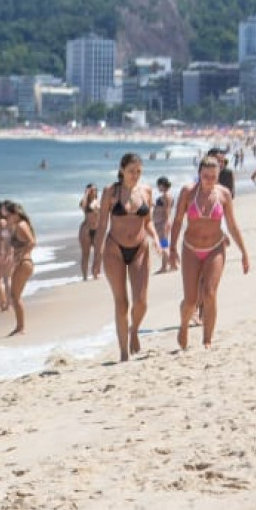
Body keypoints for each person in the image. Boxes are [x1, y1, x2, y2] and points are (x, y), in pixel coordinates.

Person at [170, 156, 251, 349]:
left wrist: (244, 252)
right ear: (199, 174)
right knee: (190, 300)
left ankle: (207, 340)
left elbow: (232, 224)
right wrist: (172, 248)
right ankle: (183, 326)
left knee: (210, 293)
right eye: (205, 176)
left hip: (216, 248)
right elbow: (178, 221)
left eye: (213, 176)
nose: (209, 180)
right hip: (191, 249)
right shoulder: (188, 192)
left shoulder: (224, 194)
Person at [100, 152, 156, 361]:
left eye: (139, 171)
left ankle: (134, 330)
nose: (135, 175)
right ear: (122, 170)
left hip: (140, 247)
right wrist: (96, 256)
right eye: (132, 171)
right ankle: (124, 352)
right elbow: (102, 224)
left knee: (141, 302)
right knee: (121, 302)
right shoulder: (111, 192)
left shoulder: (147, 191)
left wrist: (161, 242)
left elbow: (148, 221)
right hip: (114, 248)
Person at [3, 201, 37, 337]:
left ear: (15, 214)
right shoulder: (17, 225)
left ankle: (21, 327)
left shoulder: (21, 225)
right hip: (22, 263)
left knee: (15, 297)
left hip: (25, 262)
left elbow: (32, 242)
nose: (7, 218)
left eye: (8, 215)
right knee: (14, 296)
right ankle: (19, 327)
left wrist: (21, 254)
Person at [77, 184, 102, 282]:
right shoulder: (85, 202)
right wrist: (86, 193)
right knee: (85, 254)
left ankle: (95, 273)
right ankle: (85, 277)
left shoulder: (99, 202)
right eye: (91, 190)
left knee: (99, 253)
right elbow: (82, 206)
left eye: (95, 189)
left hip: (96, 229)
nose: (93, 191)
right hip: (86, 230)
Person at [152, 176, 177, 273]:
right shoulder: (167, 196)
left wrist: (165, 224)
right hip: (161, 223)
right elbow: (162, 208)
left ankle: (169, 265)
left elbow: (166, 211)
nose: (158, 188)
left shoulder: (166, 196)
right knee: (164, 244)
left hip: (162, 223)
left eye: (159, 185)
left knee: (163, 245)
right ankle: (167, 265)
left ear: (162, 185)